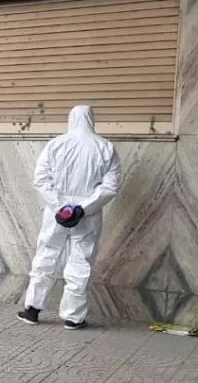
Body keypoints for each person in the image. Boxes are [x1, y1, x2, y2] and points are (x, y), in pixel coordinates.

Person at [17, 105, 122, 330]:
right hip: (88, 216)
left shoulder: (55, 145)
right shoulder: (105, 148)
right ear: (92, 119)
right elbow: (110, 186)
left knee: (46, 255)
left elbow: (42, 179)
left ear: (71, 119)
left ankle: (32, 309)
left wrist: (60, 207)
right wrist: (83, 209)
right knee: (81, 263)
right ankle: (74, 317)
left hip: (55, 214)